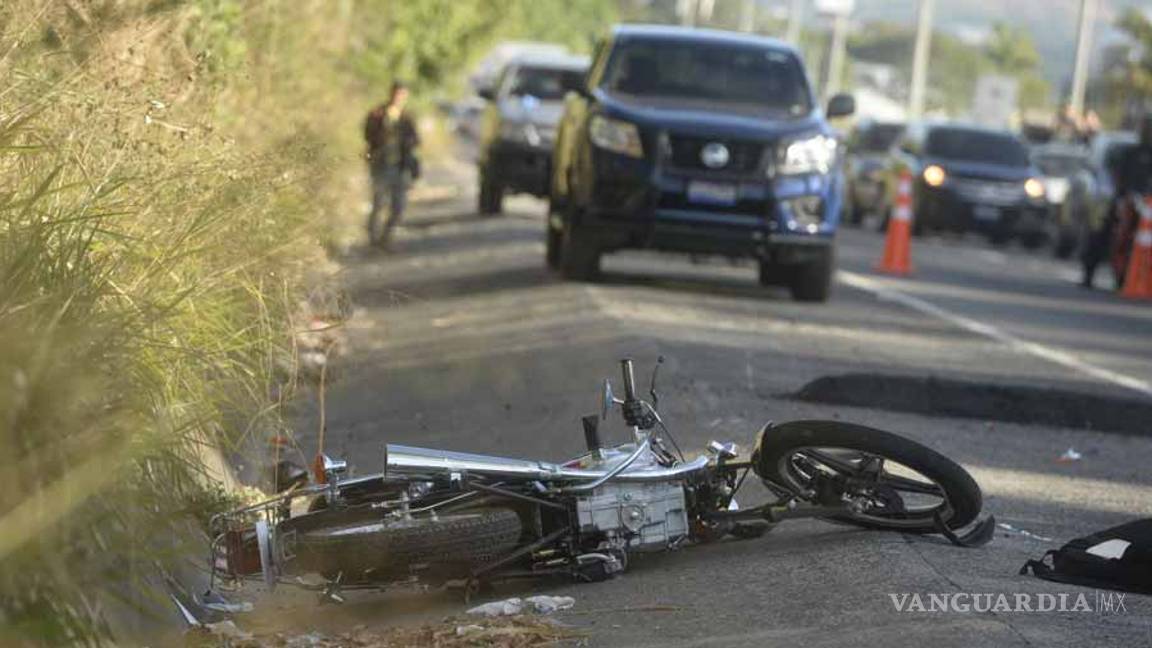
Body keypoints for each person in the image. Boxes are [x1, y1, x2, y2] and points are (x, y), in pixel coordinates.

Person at [1081, 113, 1152, 288]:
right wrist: (1123, 195)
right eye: (1145, 128)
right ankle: (1089, 272)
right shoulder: (1129, 153)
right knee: (1103, 232)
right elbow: (1117, 175)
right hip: (1125, 201)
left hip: (1147, 207)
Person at [364, 81, 420, 247]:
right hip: (381, 164)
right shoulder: (377, 113)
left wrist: (407, 142)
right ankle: (373, 239)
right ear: (391, 93)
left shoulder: (407, 116)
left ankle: (386, 237)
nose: (399, 97)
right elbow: (368, 135)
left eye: (402, 95)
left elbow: (415, 139)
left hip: (400, 165)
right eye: (397, 94)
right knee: (379, 202)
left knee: (399, 206)